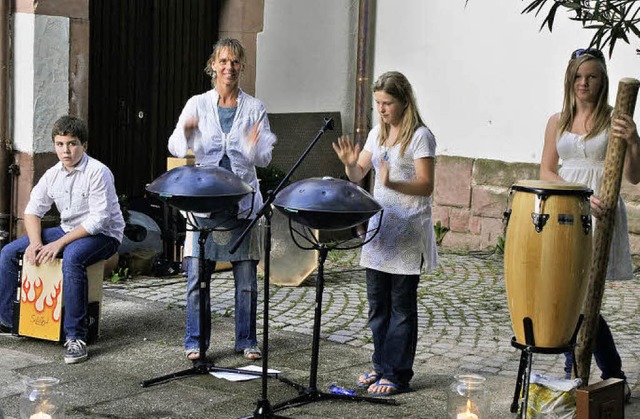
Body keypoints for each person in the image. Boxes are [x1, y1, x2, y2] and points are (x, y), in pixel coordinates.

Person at [540, 48, 640, 400]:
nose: (584, 83)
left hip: (602, 209)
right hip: (568, 208)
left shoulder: (615, 119)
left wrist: (633, 140)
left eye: (592, 76)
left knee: (585, 299)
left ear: (603, 81)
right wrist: (578, 194)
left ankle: (608, 373)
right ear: (570, 79)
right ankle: (579, 371)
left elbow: (634, 175)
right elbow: (547, 171)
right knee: (571, 298)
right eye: (579, 76)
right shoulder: (558, 120)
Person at [168, 38, 276, 361]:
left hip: (242, 206)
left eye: (235, 62)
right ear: (213, 65)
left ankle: (246, 340)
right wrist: (187, 133)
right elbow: (175, 145)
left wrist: (254, 145)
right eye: (223, 61)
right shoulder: (197, 104)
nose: (229, 68)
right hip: (205, 204)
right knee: (197, 278)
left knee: (246, 280)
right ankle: (195, 341)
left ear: (242, 67)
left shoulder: (255, 108)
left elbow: (266, 158)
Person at [332, 71, 438, 396]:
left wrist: (392, 183)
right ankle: (380, 365)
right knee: (377, 304)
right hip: (380, 231)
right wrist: (350, 165)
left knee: (401, 306)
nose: (382, 109)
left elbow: (426, 184)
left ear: (404, 101)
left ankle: (397, 373)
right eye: (378, 103)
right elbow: (359, 172)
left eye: (387, 103)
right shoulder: (377, 134)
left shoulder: (421, 136)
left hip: (407, 231)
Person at [0, 115, 125, 364]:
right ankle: (8, 320)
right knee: (9, 252)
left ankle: (76, 338)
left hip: (104, 234)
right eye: (60, 144)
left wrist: (58, 243)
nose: (65, 151)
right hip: (69, 229)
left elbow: (99, 220)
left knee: (72, 257)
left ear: (84, 145)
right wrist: (36, 243)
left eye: (72, 144)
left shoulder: (98, 172)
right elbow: (32, 211)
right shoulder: (53, 174)